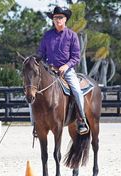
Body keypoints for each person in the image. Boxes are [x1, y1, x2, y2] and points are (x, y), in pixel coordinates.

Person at [37, 6, 88, 134]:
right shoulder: (47, 35)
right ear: (53, 20)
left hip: (67, 70)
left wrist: (66, 66)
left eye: (60, 17)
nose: (57, 20)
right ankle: (35, 123)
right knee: (34, 91)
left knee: (76, 90)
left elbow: (76, 57)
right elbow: (41, 53)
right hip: (50, 70)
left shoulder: (72, 35)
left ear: (65, 19)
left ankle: (81, 120)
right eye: (55, 18)